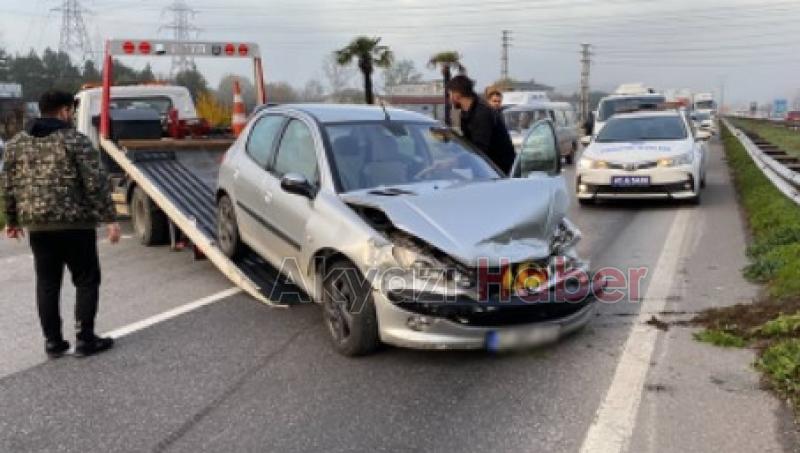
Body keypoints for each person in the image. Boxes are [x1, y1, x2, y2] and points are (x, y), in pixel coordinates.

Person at [1, 90, 121, 359]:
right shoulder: (74, 140)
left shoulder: (16, 144)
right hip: (75, 224)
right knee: (86, 279)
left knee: (47, 283)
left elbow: (8, 186)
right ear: (65, 111)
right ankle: (85, 339)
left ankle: (53, 342)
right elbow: (95, 183)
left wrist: (12, 220)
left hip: (39, 226)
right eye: (70, 111)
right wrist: (110, 218)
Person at [447, 75, 516, 174]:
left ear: (457, 95)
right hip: (485, 170)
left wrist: (454, 162)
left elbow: (479, 149)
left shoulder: (482, 113)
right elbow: (465, 143)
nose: (449, 99)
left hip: (498, 172)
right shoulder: (464, 113)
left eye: (450, 94)